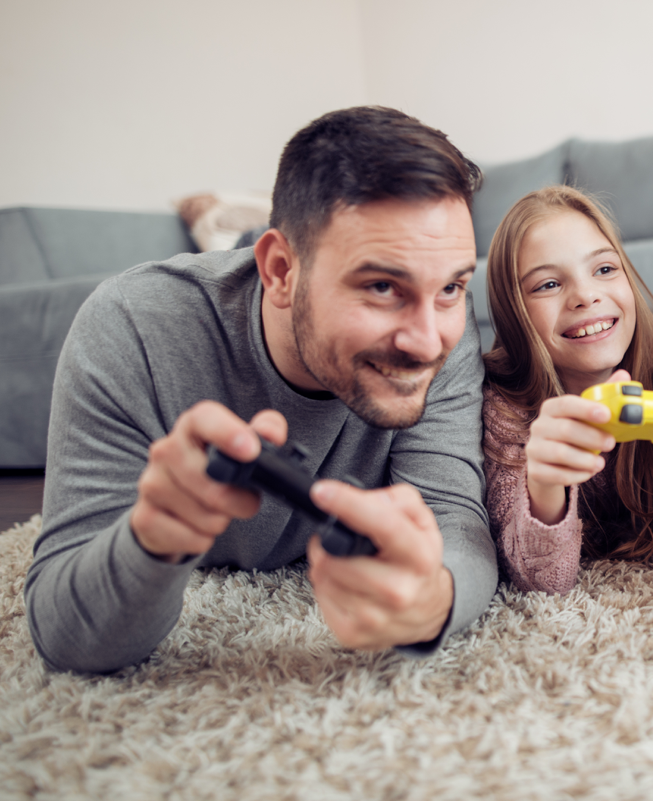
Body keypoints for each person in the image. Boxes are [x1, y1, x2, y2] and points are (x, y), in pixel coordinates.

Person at [25, 106, 498, 673]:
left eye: (450, 286)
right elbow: (65, 635)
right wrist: (151, 540)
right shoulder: (131, 326)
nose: (426, 342)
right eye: (381, 286)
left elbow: (454, 516)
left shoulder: (447, 325)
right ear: (280, 270)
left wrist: (431, 601)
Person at [481, 186, 653, 593]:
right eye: (548, 284)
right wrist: (546, 485)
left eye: (604, 269)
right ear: (512, 312)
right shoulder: (502, 406)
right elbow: (542, 580)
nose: (586, 296)